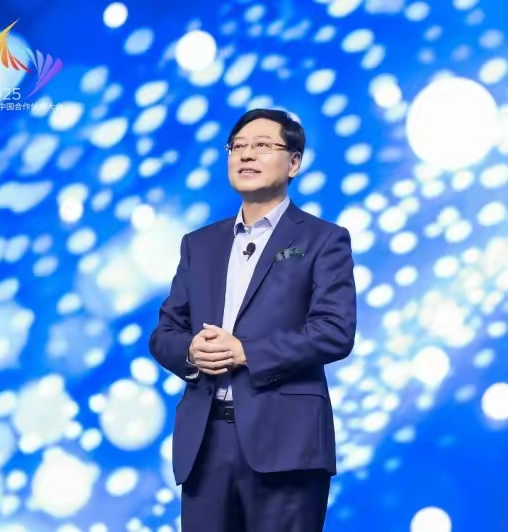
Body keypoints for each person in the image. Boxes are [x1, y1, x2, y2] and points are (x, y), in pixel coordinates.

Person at [148, 108, 357, 531]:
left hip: (286, 442)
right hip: (205, 442)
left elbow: (334, 331)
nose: (246, 155)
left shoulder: (323, 239)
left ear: (293, 162)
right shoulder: (199, 244)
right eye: (237, 147)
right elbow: (164, 333)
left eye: (262, 145)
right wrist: (191, 351)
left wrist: (246, 352)